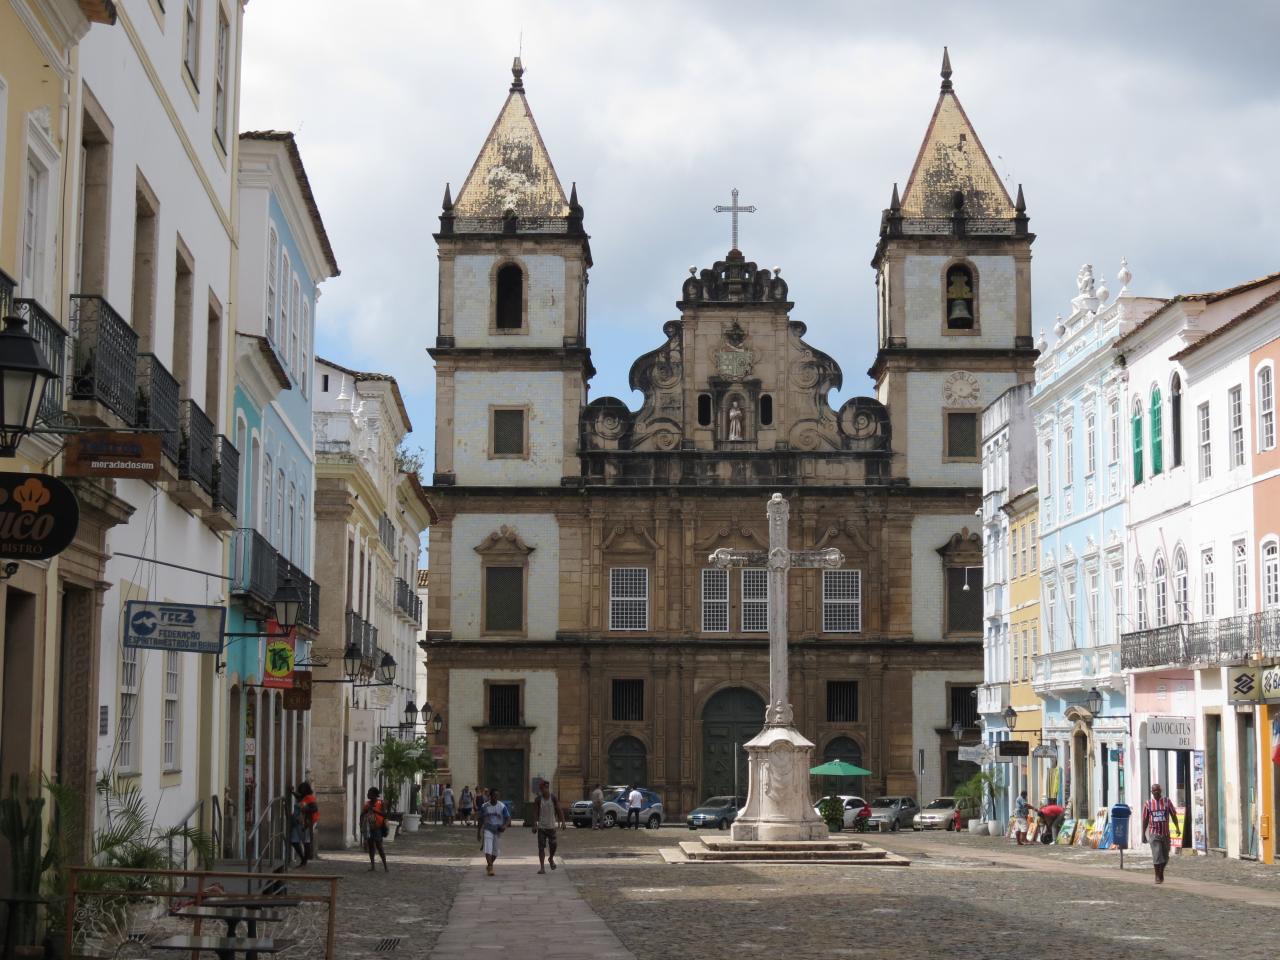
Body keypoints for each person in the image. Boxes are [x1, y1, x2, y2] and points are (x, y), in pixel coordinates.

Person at [1142, 783, 1181, 885]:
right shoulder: (1148, 803)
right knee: (1157, 854)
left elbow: (1173, 815)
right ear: (1152, 792)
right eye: (1154, 791)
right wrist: (1143, 834)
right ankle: (1157, 876)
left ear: (1161, 791)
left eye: (1158, 790)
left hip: (1165, 833)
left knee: (1165, 857)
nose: (1156, 792)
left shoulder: (1167, 802)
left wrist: (1177, 828)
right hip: (1154, 833)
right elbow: (1145, 819)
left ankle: (1161, 872)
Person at [532, 780, 563, 874]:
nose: (545, 790)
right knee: (541, 847)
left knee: (554, 844)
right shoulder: (538, 799)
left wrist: (563, 822)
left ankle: (551, 858)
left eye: (546, 788)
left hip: (551, 826)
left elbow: (558, 809)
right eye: (543, 788)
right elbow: (535, 813)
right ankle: (542, 868)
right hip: (542, 827)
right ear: (541, 789)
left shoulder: (553, 798)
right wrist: (534, 824)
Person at [479, 788, 511, 877]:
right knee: (488, 848)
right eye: (494, 796)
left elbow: (508, 818)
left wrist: (504, 826)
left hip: (497, 830)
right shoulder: (484, 806)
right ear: (490, 796)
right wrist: (478, 832)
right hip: (488, 828)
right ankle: (490, 866)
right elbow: (480, 819)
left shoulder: (502, 806)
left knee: (495, 852)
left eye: (497, 796)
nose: (495, 797)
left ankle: (489, 864)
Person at [361, 787, 388, 872]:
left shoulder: (380, 803)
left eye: (369, 793)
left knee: (379, 846)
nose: (367, 794)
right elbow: (362, 815)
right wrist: (362, 826)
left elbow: (384, 814)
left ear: (374, 795)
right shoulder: (367, 804)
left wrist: (374, 810)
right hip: (369, 828)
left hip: (378, 828)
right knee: (371, 847)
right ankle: (373, 866)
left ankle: (385, 866)